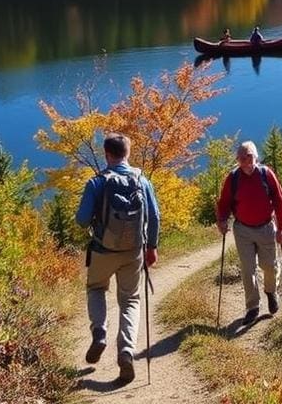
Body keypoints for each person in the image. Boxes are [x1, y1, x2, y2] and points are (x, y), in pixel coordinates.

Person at [75, 133, 160, 385]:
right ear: (128, 152)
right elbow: (154, 217)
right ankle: (126, 351)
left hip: (102, 250)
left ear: (107, 154)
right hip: (133, 252)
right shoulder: (142, 180)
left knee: (96, 288)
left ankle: (99, 331)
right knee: (131, 300)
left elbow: (81, 220)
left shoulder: (96, 183)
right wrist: (152, 247)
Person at [216, 140, 282, 325]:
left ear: (256, 157)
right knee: (248, 269)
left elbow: (280, 202)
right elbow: (223, 203)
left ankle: (271, 292)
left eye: (249, 157)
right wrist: (222, 220)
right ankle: (252, 307)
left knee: (269, 266)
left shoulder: (266, 174)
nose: (246, 162)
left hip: (265, 227)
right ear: (237, 159)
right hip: (243, 230)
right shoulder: (233, 178)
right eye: (241, 158)